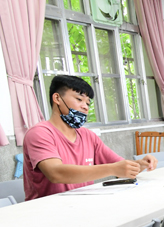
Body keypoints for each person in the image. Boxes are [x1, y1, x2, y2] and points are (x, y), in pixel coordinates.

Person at [22, 75, 157, 200]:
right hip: (48, 212)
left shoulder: (87, 136)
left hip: (84, 205)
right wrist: (112, 168)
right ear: (57, 98)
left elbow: (120, 168)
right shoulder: (39, 133)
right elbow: (56, 173)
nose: (85, 107)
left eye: (87, 103)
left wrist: (140, 164)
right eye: (79, 99)